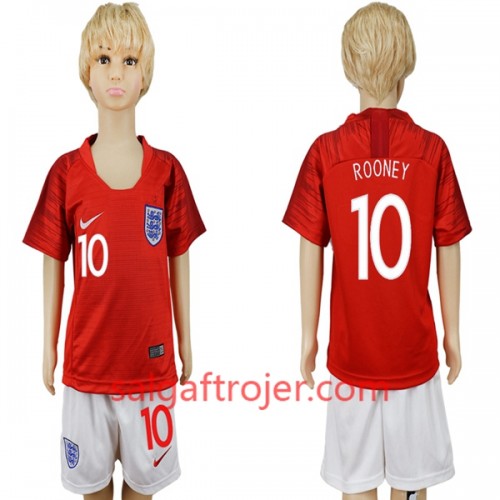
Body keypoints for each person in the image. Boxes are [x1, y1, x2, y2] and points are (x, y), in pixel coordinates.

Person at [283, 3, 471, 499]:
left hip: (352, 355)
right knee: (411, 488)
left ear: (350, 66)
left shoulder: (327, 152)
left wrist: (308, 336)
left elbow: (309, 246)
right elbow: (449, 244)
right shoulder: (431, 151)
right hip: (413, 354)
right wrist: (452, 334)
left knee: (357, 487)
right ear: (406, 66)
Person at [23, 3, 205, 499]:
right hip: (87, 369)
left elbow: (179, 258)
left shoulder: (167, 171)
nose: (116, 73)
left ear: (146, 73)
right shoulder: (66, 173)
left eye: (129, 60)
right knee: (93, 490)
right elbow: (53, 262)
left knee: (144, 490)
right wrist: (48, 345)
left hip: (150, 368)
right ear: (87, 70)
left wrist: (186, 341)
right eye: (104, 59)